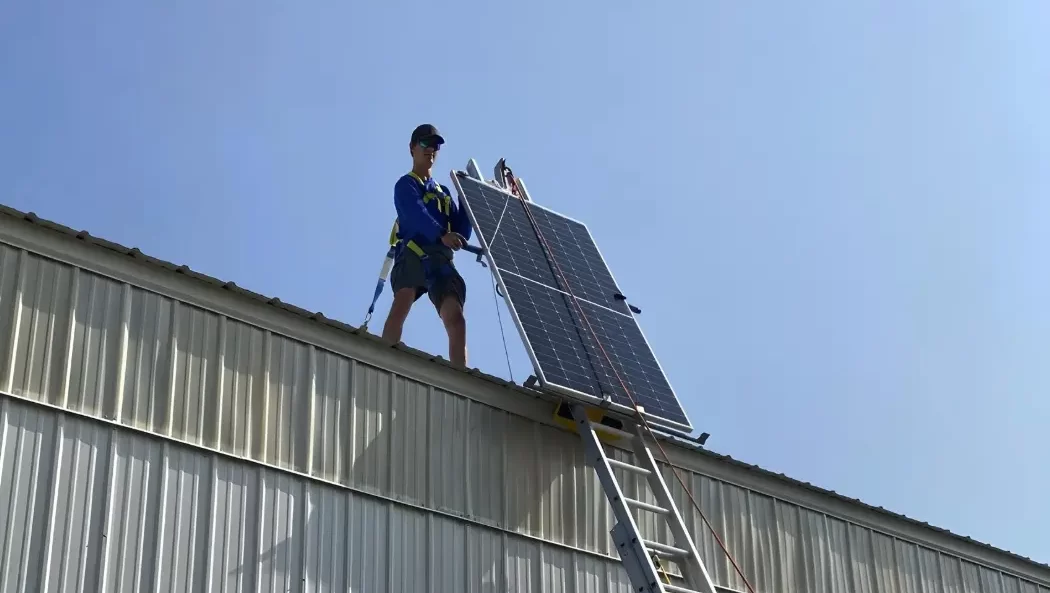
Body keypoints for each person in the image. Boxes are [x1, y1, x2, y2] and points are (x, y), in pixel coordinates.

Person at [381, 124, 473, 367]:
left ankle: (460, 376)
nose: (430, 150)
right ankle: (382, 357)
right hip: (413, 251)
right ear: (412, 148)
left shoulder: (442, 193)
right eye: (425, 144)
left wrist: (467, 200)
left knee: (456, 318)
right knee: (404, 299)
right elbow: (415, 214)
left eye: (435, 146)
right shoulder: (406, 185)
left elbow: (461, 233)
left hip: (439, 259)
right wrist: (442, 234)